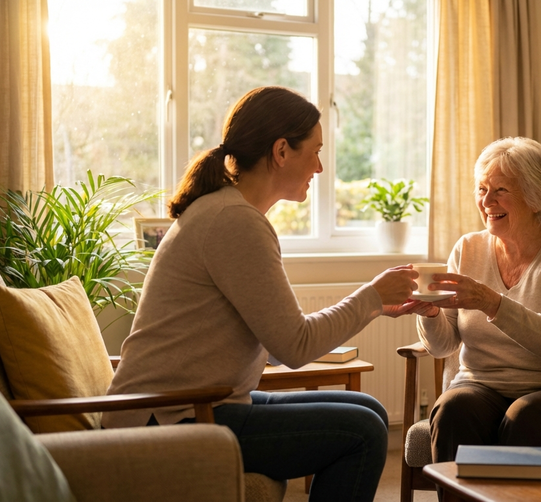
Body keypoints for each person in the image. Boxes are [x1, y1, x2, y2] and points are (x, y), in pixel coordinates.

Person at [102, 86, 418, 501]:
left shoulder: (227, 211)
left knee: (370, 410)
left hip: (198, 405)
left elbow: (277, 336)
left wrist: (374, 306)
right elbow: (295, 346)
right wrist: (371, 298)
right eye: (315, 151)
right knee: (362, 432)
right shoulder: (234, 221)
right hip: (168, 419)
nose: (320, 167)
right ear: (282, 150)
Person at [398, 137, 541, 464]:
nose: (487, 201)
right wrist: (430, 312)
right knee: (453, 410)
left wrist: (490, 302)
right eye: (482, 190)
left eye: (501, 191)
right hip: (482, 385)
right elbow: (442, 347)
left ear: (536, 197)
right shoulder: (467, 249)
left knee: (526, 416)